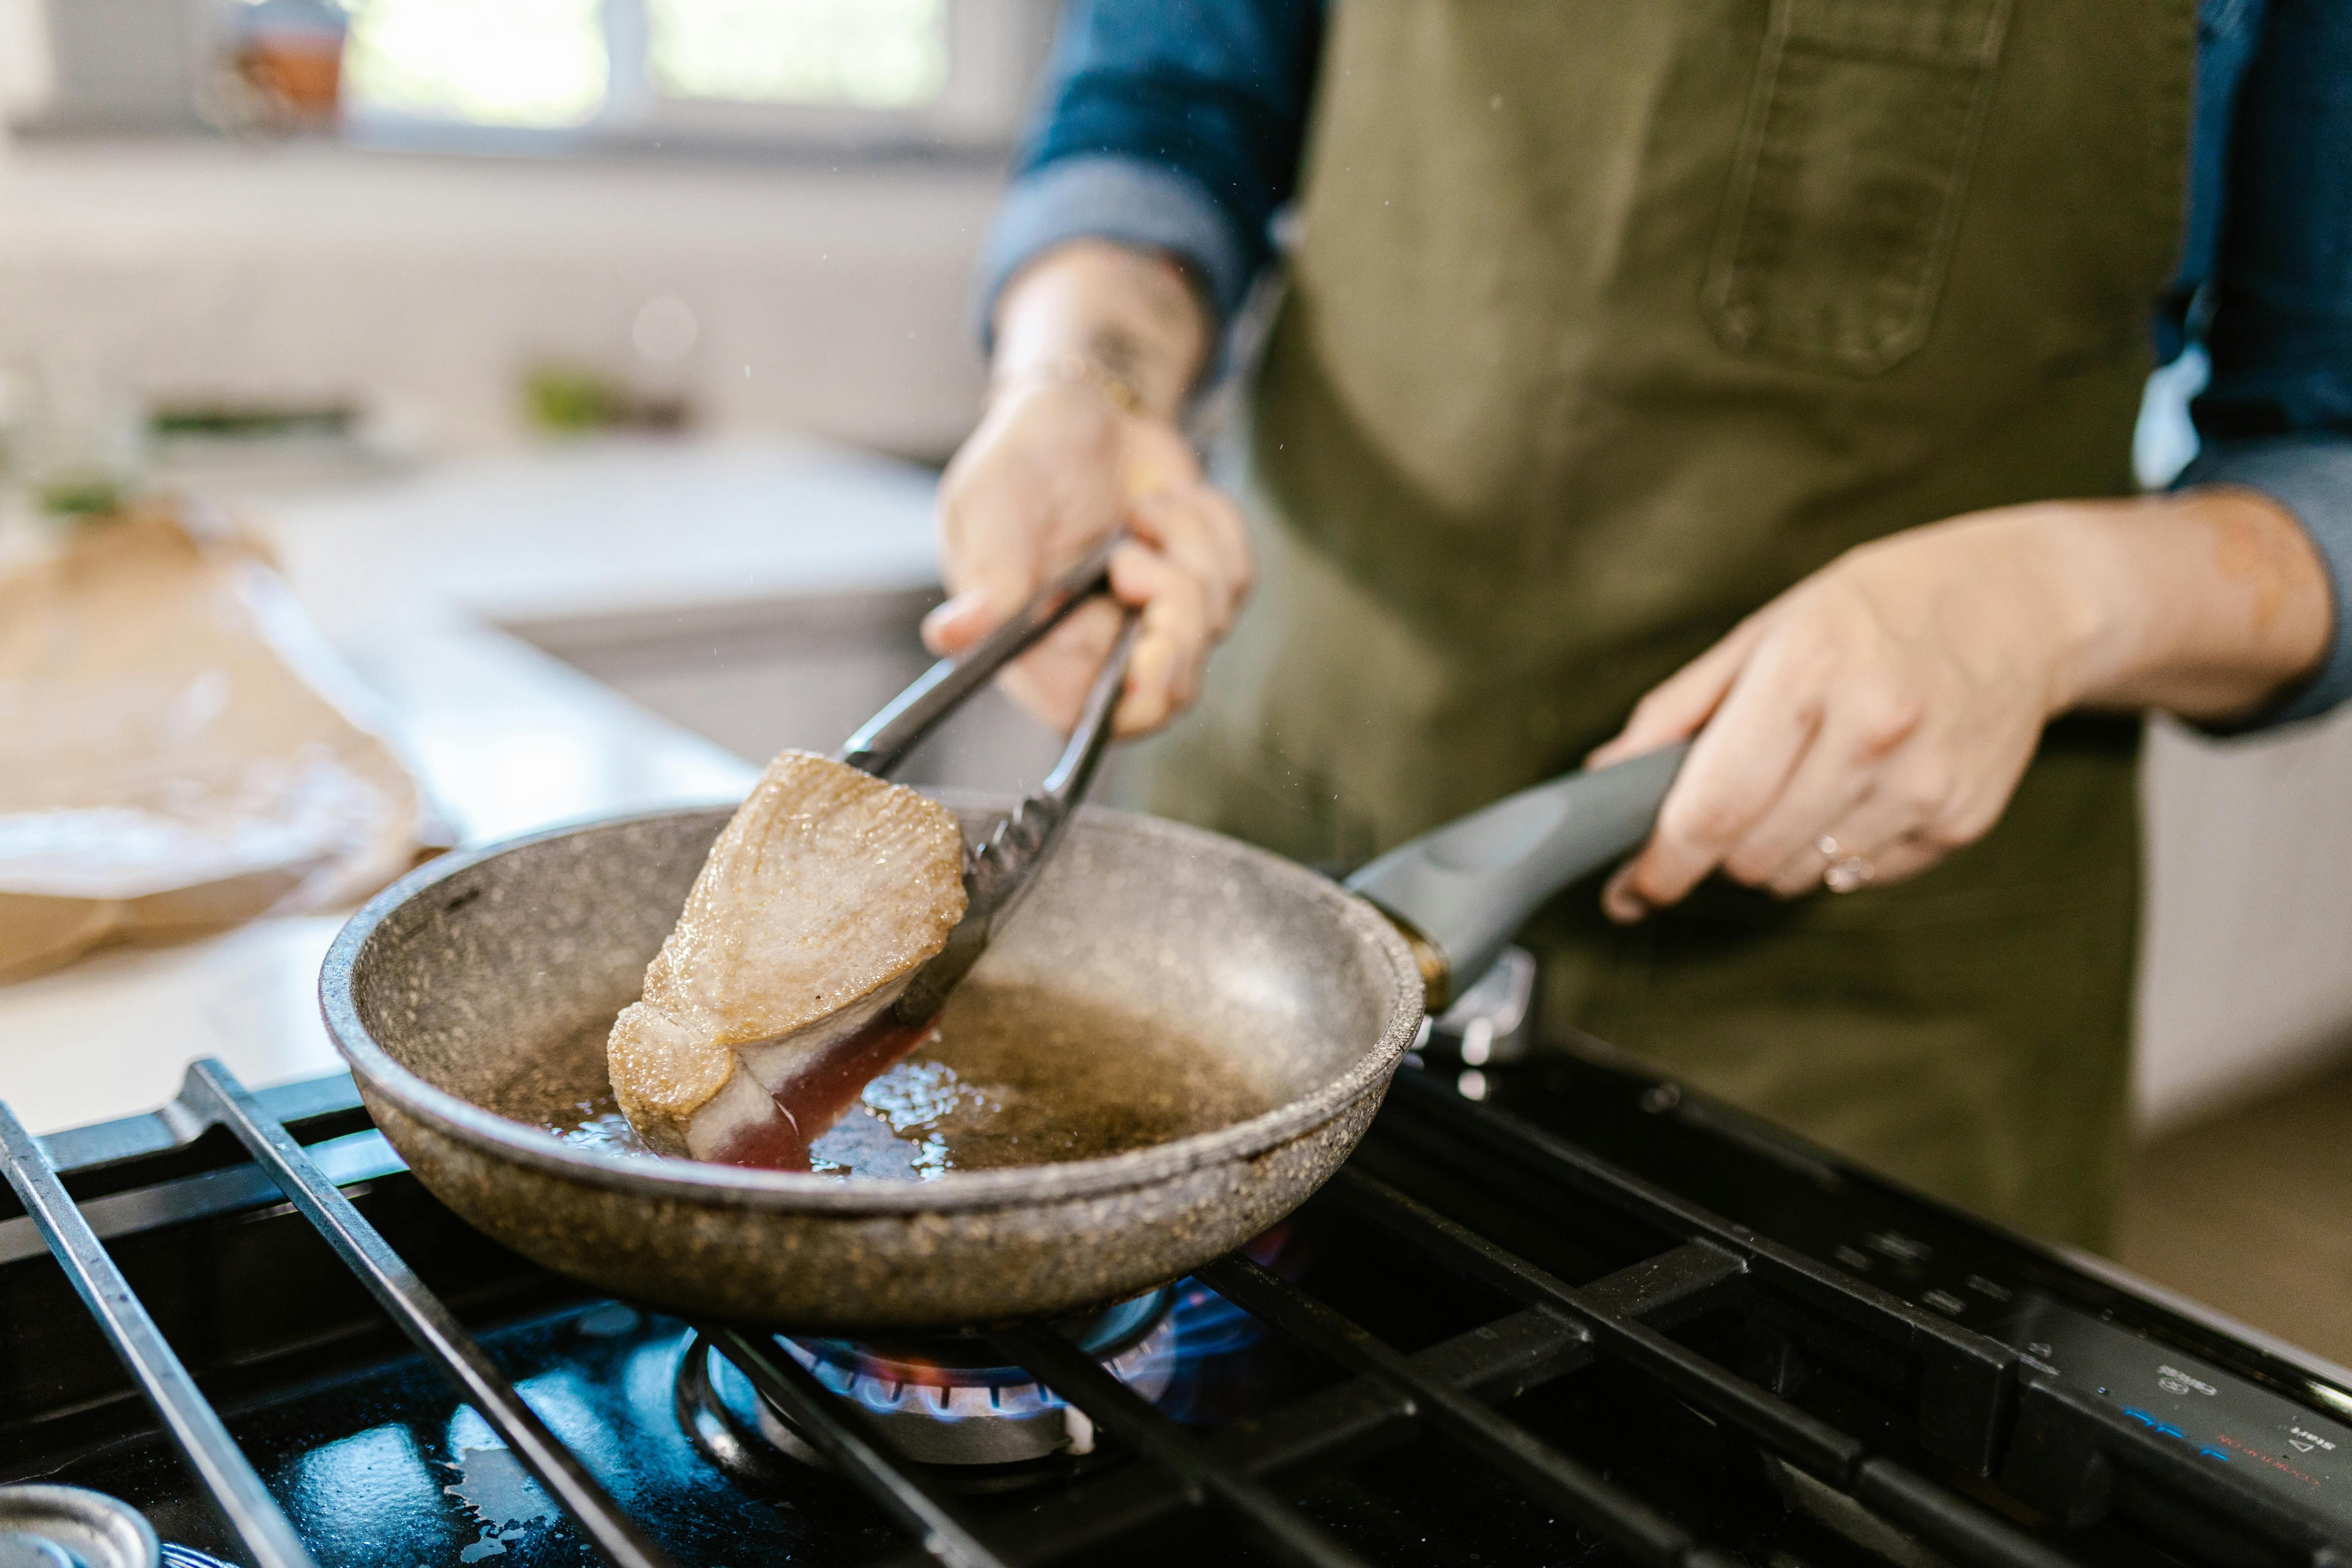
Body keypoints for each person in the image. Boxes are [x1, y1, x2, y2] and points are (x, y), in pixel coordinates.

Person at [927, 0, 2352, 1250]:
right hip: (1271, 891)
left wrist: (2054, 601)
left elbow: (2327, 453)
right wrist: (1079, 377)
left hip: (1873, 1037)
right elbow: (1168, 104)